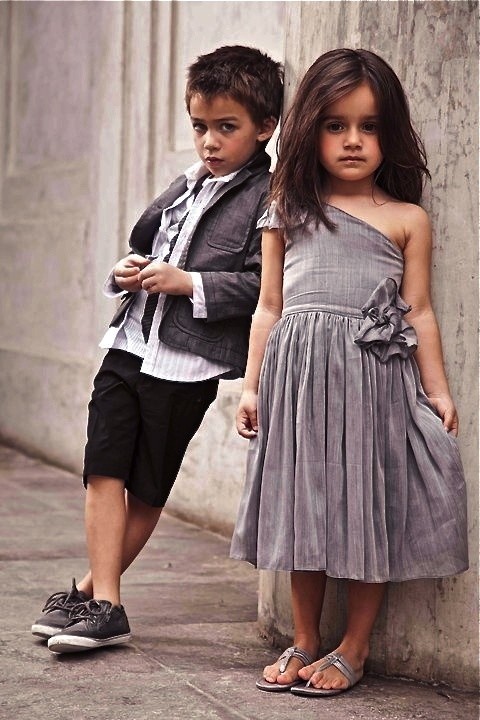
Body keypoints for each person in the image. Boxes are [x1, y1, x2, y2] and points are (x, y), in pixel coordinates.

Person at [230, 48, 468, 697]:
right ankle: (304, 638)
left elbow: (418, 310)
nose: (353, 140)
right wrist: (251, 386)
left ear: (390, 134)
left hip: (373, 383)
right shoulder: (288, 207)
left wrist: (437, 390)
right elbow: (269, 306)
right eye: (336, 125)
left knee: (370, 507)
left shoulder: (406, 219)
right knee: (302, 507)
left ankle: (354, 646)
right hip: (299, 383)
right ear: (312, 130)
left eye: (369, 126)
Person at [31, 45, 283, 654]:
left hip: (186, 361)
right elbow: (148, 247)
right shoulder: (187, 184)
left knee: (146, 485)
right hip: (129, 340)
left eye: (226, 127)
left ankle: (92, 596)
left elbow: (263, 285)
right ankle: (105, 603)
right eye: (200, 126)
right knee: (103, 464)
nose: (209, 142)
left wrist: (187, 282)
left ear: (265, 127)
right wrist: (127, 271)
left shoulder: (268, 196)